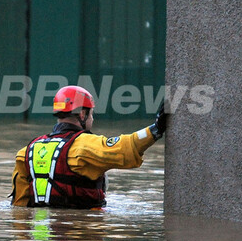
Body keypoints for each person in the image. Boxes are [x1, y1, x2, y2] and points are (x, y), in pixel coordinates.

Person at [10, 85, 166, 209]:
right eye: (91, 113)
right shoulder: (85, 145)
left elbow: (19, 205)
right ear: (83, 114)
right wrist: (156, 129)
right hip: (78, 239)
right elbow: (127, 146)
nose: (92, 117)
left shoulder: (26, 151)